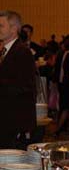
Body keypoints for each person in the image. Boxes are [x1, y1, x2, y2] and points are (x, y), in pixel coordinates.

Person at [0, 11, 37, 149]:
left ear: (14, 28)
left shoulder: (22, 52)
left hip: (14, 120)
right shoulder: (4, 51)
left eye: (1, 26)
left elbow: (25, 87)